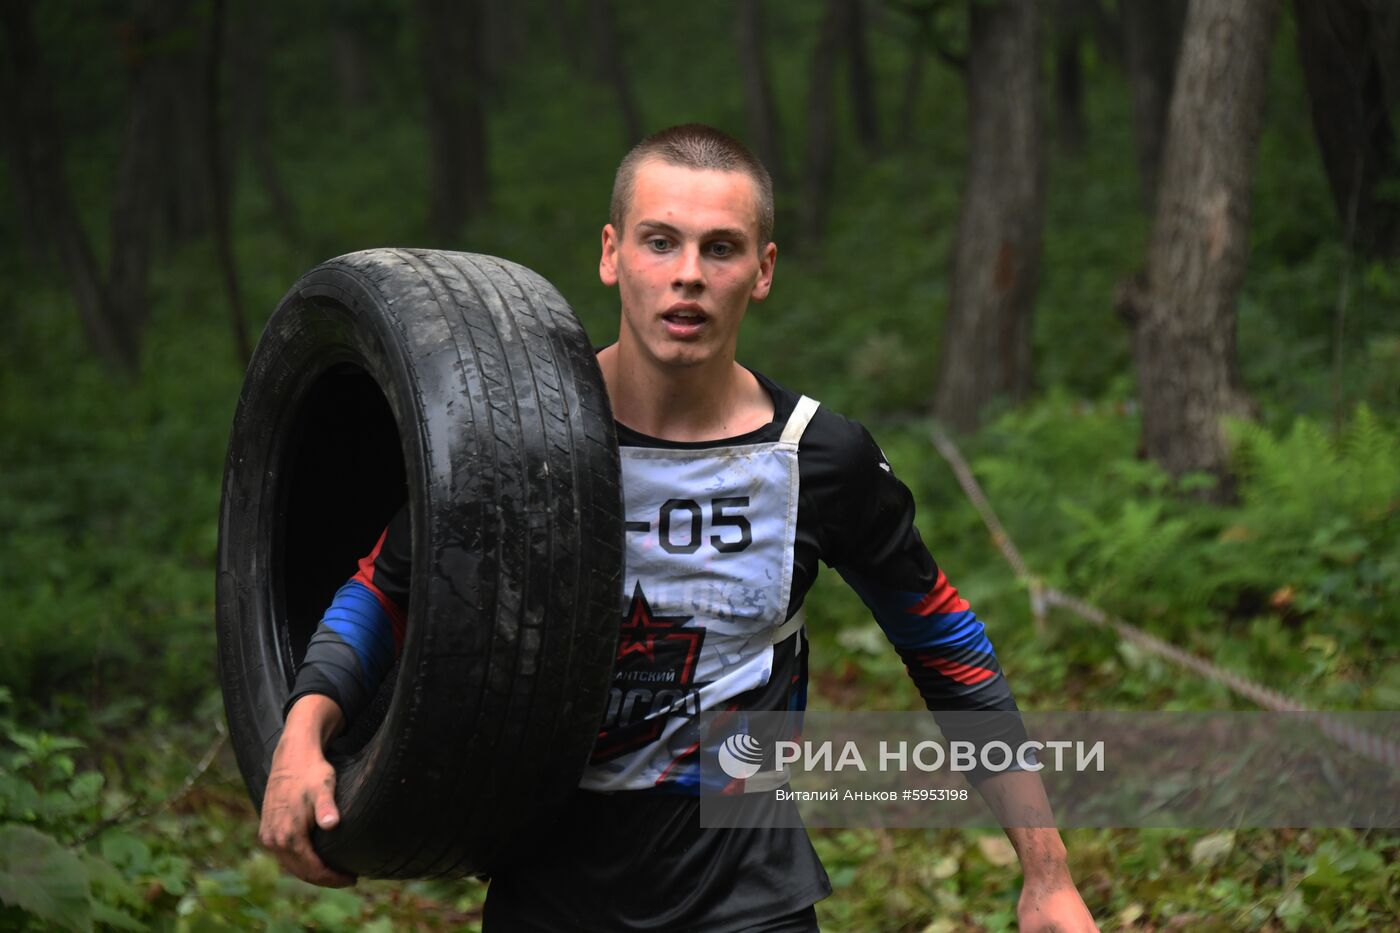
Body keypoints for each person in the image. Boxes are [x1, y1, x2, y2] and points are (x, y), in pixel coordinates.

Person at [259, 124, 1099, 932]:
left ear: (763, 271)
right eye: (660, 241)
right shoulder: (519, 440)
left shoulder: (816, 456)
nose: (687, 274)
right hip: (546, 894)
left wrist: (1047, 872)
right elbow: (386, 589)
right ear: (610, 253)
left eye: (720, 248)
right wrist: (302, 731)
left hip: (749, 900)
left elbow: (948, 648)